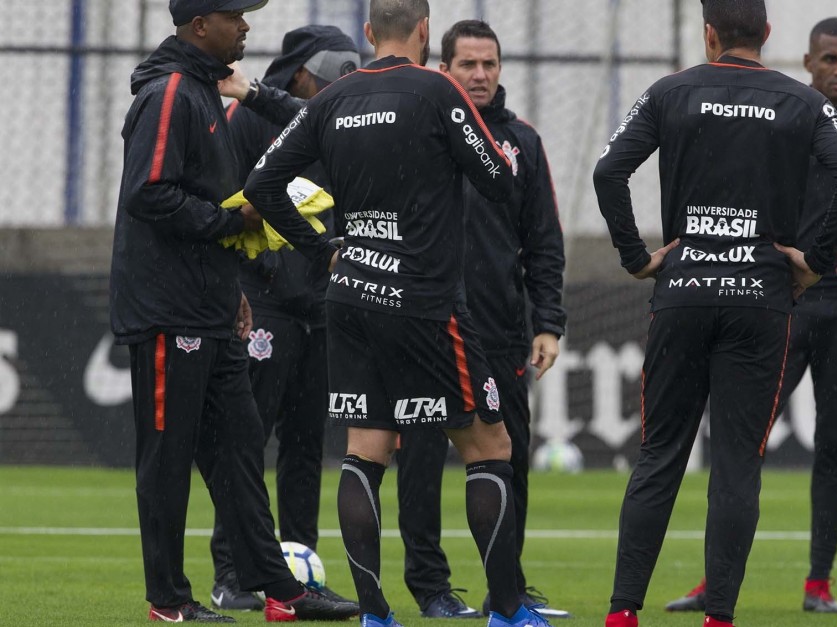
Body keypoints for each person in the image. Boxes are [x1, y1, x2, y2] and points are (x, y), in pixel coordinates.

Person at [243, 2, 555, 627]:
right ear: (424, 32)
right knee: (489, 445)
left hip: (351, 294)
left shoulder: (335, 99)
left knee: (366, 450)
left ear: (366, 35)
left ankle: (376, 614)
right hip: (424, 301)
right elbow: (496, 176)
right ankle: (510, 611)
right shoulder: (436, 89)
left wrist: (321, 247)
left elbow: (263, 184)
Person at [592, 0, 837, 625]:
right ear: (768, 35)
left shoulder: (671, 91)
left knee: (660, 455)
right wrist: (815, 260)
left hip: (684, 291)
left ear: (709, 33)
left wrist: (636, 257)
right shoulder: (800, 102)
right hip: (760, 297)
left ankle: (621, 613)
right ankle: (719, 616)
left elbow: (609, 171)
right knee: (738, 464)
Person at [663, 16, 837, 616]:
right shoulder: (786, 110)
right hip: (778, 303)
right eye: (830, 60)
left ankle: (819, 583)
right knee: (742, 442)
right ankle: (717, 584)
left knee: (835, 443)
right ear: (809, 61)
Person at [110, 0, 356, 621]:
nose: (246, 25)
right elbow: (149, 192)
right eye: (235, 16)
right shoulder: (170, 94)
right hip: (170, 313)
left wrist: (232, 286)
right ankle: (168, 599)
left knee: (241, 448)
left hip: (211, 308)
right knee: (168, 460)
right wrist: (228, 222)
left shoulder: (205, 94)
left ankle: (282, 590)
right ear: (199, 25)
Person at [394, 19, 568, 620]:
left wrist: (548, 321)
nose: (480, 75)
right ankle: (430, 587)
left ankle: (507, 588)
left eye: (489, 64)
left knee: (509, 458)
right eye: (467, 64)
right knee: (419, 462)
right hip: (423, 327)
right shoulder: (418, 132)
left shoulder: (521, 141)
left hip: (498, 331)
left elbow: (543, 239)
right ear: (444, 70)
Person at [208, 24, 362, 613]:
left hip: (319, 306)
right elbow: (230, 202)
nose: (335, 85)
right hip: (264, 301)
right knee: (246, 440)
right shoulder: (249, 119)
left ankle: (298, 575)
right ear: (299, 72)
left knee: (305, 447)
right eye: (327, 75)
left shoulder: (334, 121)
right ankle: (233, 572)